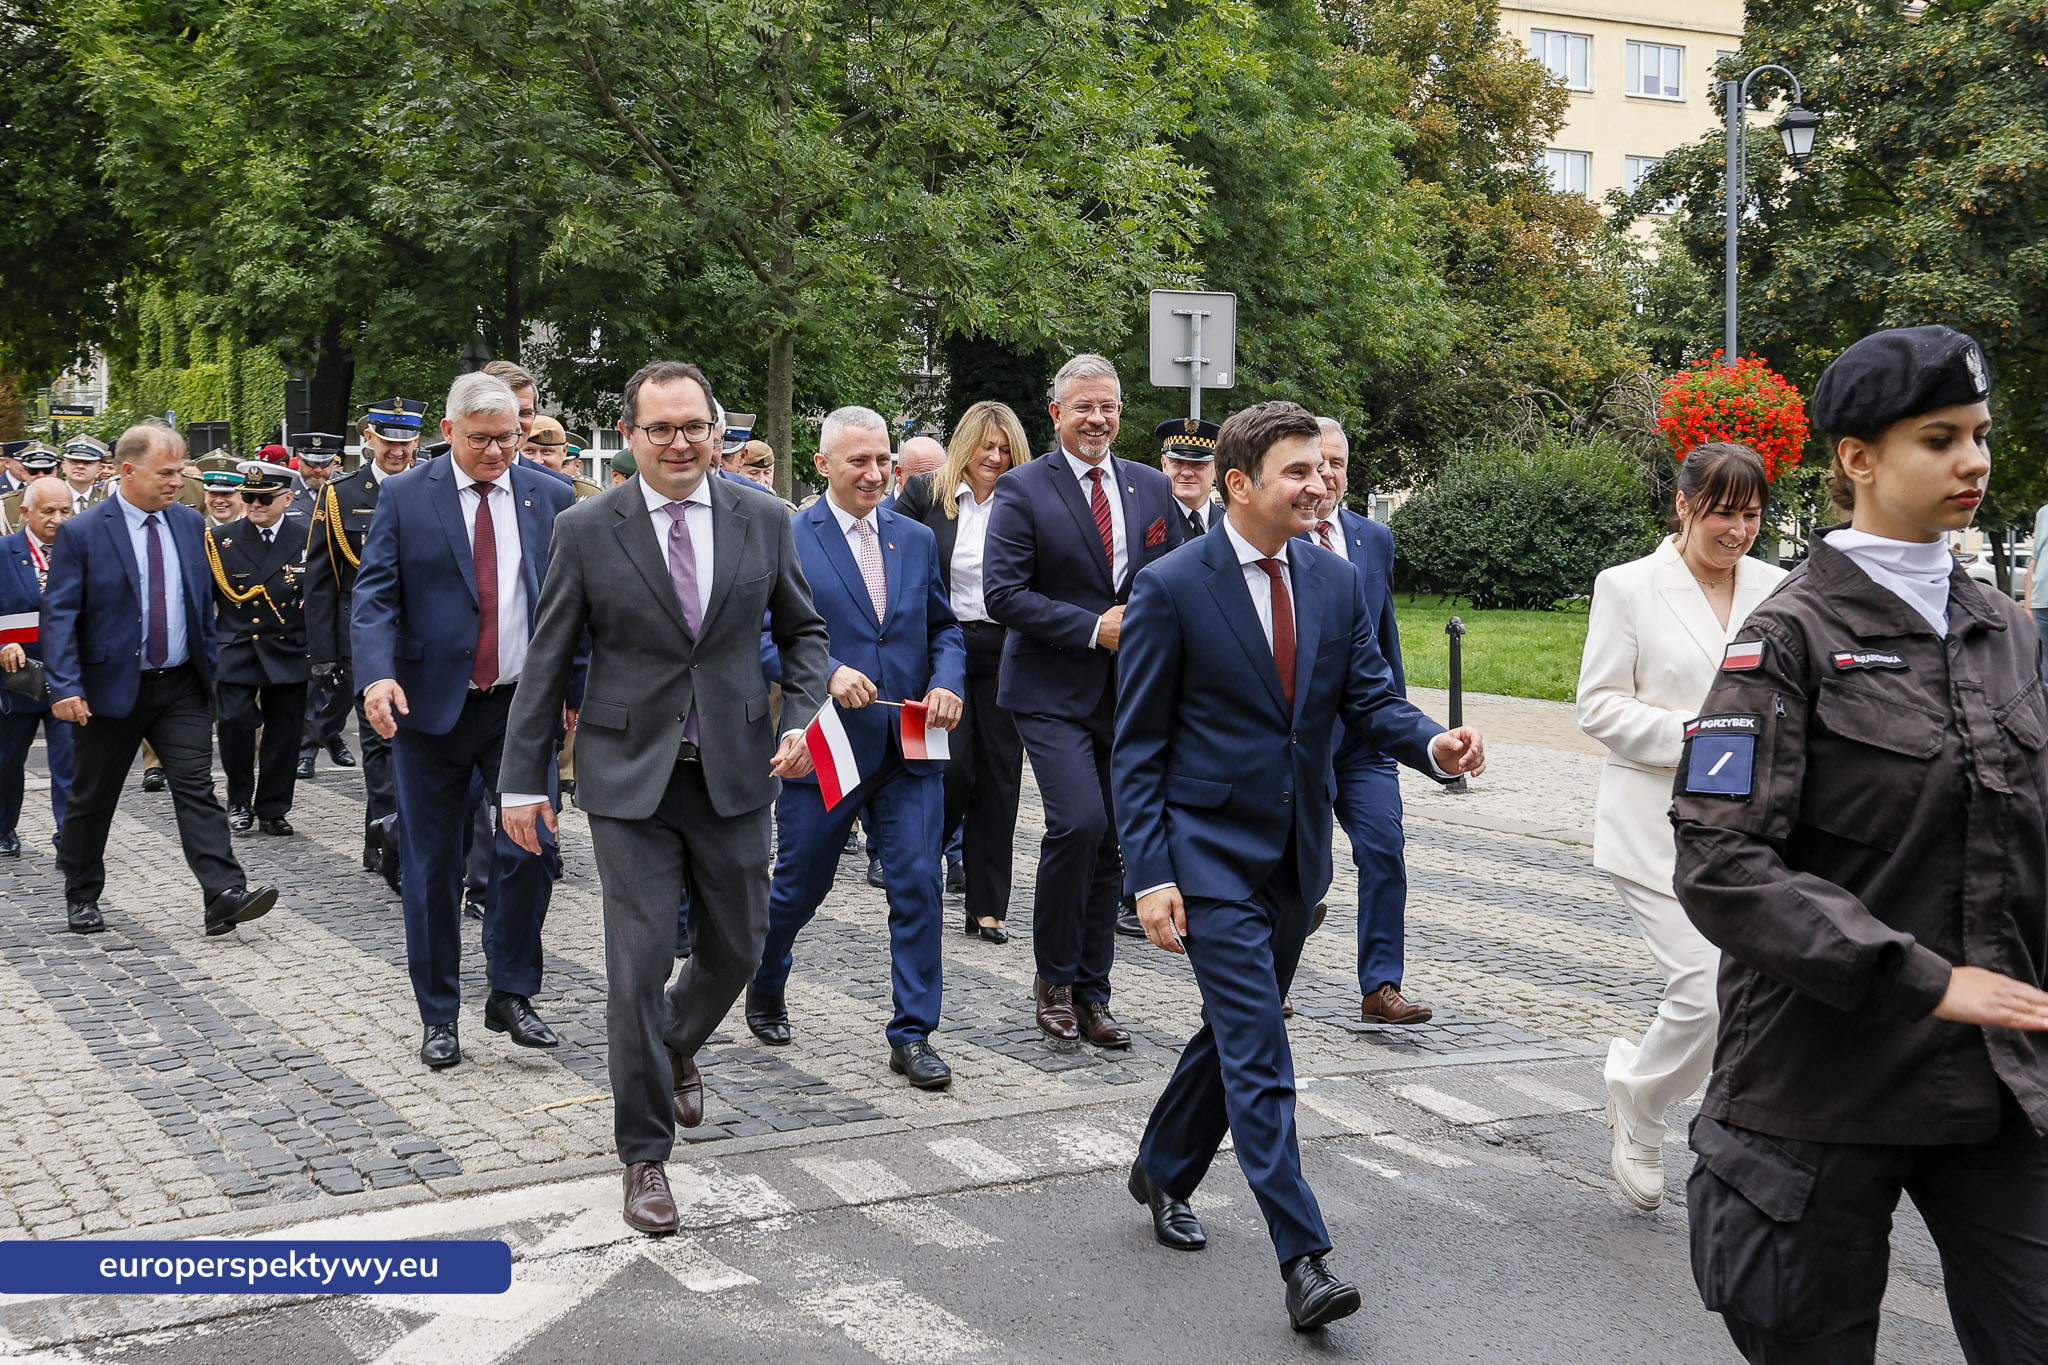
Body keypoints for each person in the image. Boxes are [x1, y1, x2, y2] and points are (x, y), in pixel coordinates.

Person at [1673, 325, 2048, 1363]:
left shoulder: (2002, 626)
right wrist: (1920, 978)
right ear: (1856, 460)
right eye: (1938, 438)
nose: (1972, 460)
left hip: (1991, 1079)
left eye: (1977, 434)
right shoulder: (1784, 637)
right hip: (1815, 1085)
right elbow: (1720, 865)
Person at [1114, 400, 1485, 1331]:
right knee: (1262, 1049)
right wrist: (1151, 873)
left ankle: (1161, 1165)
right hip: (1205, 852)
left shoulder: (1331, 578)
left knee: (1230, 1037)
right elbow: (1137, 747)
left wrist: (1433, 746)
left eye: (1324, 469)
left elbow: (1369, 698)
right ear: (1241, 485)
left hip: (1294, 857)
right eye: (1299, 472)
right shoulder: (1171, 586)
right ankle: (1305, 1257)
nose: (1320, 484)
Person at [499, 359, 829, 1235]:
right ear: (633, 438)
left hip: (734, 770)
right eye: (661, 429)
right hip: (625, 774)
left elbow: (804, 634)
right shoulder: (585, 527)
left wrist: (803, 718)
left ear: (716, 432)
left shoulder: (763, 517)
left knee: (739, 946)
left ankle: (677, 1039)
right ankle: (644, 1155)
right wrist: (522, 781)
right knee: (637, 969)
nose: (680, 443)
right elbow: (545, 661)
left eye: (695, 427)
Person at [1575, 442, 1785, 1211]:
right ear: (1684, 504)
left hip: (1754, 825)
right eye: (1724, 512)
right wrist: (1702, 733)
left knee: (1752, 989)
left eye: (1752, 514)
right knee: (1703, 987)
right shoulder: (1628, 586)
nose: (1738, 531)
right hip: (1655, 822)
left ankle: (1654, 1092)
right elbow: (1597, 704)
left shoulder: (1777, 586)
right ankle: (1641, 1098)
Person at [353, 373, 573, 1071]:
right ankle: (438, 1013)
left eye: (507, 437)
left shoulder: (552, 497)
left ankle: (510, 991)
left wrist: (576, 685)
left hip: (521, 707)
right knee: (432, 864)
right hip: (430, 708)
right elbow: (375, 595)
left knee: (530, 847)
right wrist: (376, 674)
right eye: (480, 439)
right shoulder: (404, 495)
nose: (496, 451)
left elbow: (576, 606)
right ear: (448, 433)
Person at [744, 405, 965, 1086]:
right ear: (822, 465)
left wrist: (948, 681)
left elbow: (943, 628)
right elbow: (753, 634)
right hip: (827, 742)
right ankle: (766, 973)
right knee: (797, 888)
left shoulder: (915, 537)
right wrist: (825, 670)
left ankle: (912, 1032)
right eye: (859, 461)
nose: (875, 474)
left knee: (918, 885)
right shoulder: (785, 533)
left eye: (883, 461)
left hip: (908, 741)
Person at [984, 352, 1184, 1046]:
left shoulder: (1152, 490)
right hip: (1050, 688)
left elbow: (1172, 582)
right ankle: (1054, 980)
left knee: (1114, 844)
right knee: (1078, 823)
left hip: (1129, 695)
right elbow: (1003, 594)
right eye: (1084, 407)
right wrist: (1092, 627)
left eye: (1109, 407)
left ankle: (1095, 992)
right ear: (1057, 414)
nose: (1098, 418)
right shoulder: (1021, 488)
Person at [42, 424, 281, 937]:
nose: (178, 481)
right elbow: (59, 616)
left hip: (181, 686)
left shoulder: (187, 525)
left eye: (180, 471)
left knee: (196, 787)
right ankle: (81, 892)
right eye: (166, 473)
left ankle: (222, 893)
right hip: (108, 690)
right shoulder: (84, 532)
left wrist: (212, 664)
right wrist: (65, 687)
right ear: (128, 471)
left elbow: (201, 603)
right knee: (93, 798)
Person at [1306, 417, 1433, 1028]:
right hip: (1298, 739)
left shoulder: (1371, 540)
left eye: (1337, 463)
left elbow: (1385, 641)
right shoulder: (1279, 538)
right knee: (1305, 868)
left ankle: (1381, 984)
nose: (1327, 475)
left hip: (1365, 739)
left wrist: (1410, 731)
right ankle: (1271, 968)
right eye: (1315, 462)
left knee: (1384, 848)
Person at [891, 400, 1031, 943]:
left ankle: (987, 905)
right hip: (940, 649)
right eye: (984, 446)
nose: (993, 457)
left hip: (1008, 650)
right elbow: (892, 553)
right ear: (962, 445)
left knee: (999, 776)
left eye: (1004, 449)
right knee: (949, 772)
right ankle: (915, 878)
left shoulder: (1027, 501)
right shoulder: (925, 494)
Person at [307, 400, 420, 889]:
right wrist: (324, 655)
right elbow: (321, 579)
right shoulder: (340, 494)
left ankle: (387, 831)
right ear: (368, 437)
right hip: (364, 632)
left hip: (421, 634)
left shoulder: (433, 485)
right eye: (388, 440)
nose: (397, 450)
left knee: (416, 740)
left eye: (405, 440)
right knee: (379, 740)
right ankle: (387, 832)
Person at [206, 460, 313, 838]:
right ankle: (238, 800)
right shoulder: (222, 540)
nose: (254, 505)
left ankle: (272, 806)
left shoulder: (307, 538)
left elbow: (318, 599)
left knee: (284, 733)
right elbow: (207, 601)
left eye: (263, 499)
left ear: (287, 498)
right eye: (248, 497)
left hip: (287, 645)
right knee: (234, 723)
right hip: (238, 646)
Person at [0, 477, 77, 856]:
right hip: (16, 681)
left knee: (70, 763)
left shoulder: (84, 552)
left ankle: (69, 837)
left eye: (65, 511)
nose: (58, 519)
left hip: (68, 679)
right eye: (48, 511)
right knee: (6, 761)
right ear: (25, 512)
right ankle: (2, 828)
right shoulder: (3, 552)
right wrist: (2, 643)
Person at [289, 432, 355, 778]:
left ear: (336, 463)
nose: (317, 470)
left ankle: (329, 732)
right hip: (297, 596)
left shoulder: (348, 492)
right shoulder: (285, 495)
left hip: (341, 595)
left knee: (346, 686)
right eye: (310, 463)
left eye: (324, 464)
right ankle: (306, 751)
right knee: (314, 681)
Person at [1157, 418, 1223, 535]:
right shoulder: (1149, 522)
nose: (1186, 473)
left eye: (1198, 464)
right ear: (1164, 465)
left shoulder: (1231, 526)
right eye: (1177, 462)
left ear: (1217, 469)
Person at [60, 438, 108, 514]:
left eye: (87, 462)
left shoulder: (106, 499)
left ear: (99, 471)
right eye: (74, 461)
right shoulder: (51, 496)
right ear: (64, 466)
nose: (80, 466)